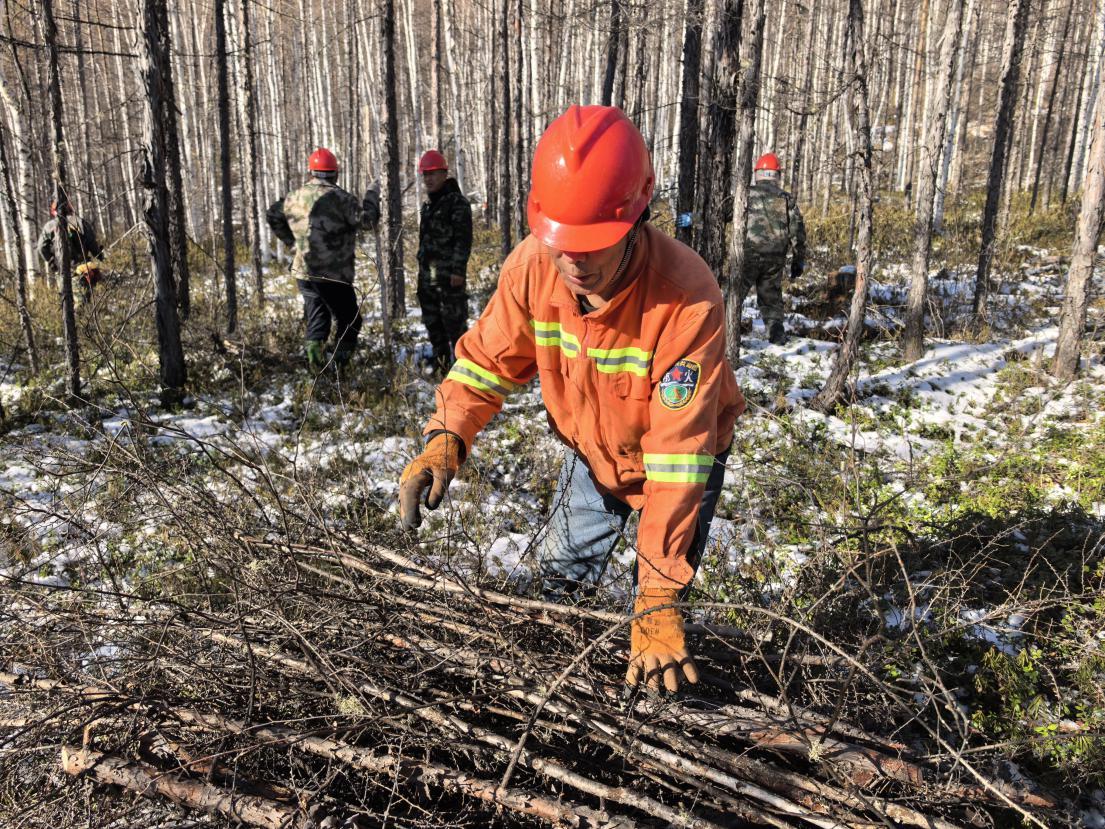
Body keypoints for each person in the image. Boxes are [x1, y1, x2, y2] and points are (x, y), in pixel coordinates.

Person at [398, 106, 745, 693]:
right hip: (592, 456)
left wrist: (656, 595)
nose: (574, 261)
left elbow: (679, 454)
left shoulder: (686, 297)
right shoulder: (532, 268)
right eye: (561, 243)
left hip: (682, 462)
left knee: (659, 612)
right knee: (557, 591)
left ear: (637, 218)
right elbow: (486, 363)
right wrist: (447, 436)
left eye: (594, 243)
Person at [266, 147, 379, 372]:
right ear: (335, 173)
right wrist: (372, 196)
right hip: (333, 275)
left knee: (318, 319)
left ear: (311, 172)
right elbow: (368, 222)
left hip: (305, 273)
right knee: (351, 321)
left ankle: (316, 369)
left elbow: (273, 214)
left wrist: (292, 242)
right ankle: (338, 369)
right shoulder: (343, 199)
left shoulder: (295, 196)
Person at [740, 152, 807, 345]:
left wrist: (694, 219)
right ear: (776, 175)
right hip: (775, 258)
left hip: (748, 256)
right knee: (771, 300)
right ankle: (777, 337)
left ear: (757, 173)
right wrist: (798, 260)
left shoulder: (746, 194)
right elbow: (798, 232)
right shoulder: (786, 199)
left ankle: (722, 333)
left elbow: (721, 212)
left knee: (733, 298)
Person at [416, 150, 473, 374]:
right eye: (425, 175)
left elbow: (463, 238)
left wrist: (458, 270)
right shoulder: (429, 205)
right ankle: (441, 363)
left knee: (455, 323)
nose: (428, 179)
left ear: (444, 174)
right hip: (428, 276)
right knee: (432, 321)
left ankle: (463, 366)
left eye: (432, 174)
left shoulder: (457, 203)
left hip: (450, 277)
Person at [37, 198, 104, 303]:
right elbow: (92, 244)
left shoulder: (49, 226)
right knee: (83, 304)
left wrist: (52, 262)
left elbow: (41, 247)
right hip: (81, 269)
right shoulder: (80, 222)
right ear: (69, 208)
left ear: (54, 211)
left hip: (61, 271)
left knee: (66, 303)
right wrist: (100, 256)